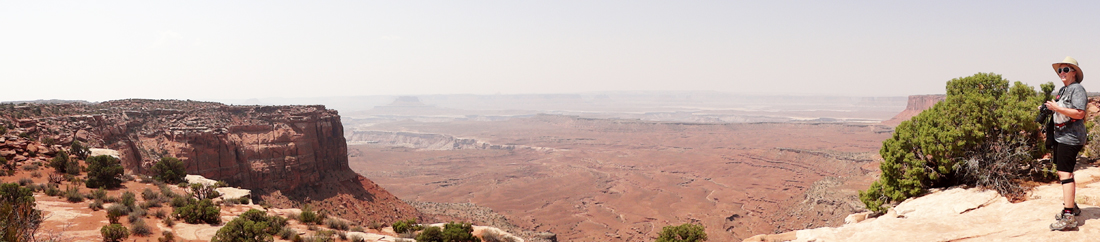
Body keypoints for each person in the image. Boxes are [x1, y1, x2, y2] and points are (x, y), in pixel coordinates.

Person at [1047, 56, 1088, 231]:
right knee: (1065, 173)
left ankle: (1069, 216)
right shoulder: (1064, 90)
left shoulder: (1077, 89)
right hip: (1061, 136)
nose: (1061, 73)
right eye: (1059, 70)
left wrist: (1056, 108)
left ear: (1074, 73)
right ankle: (1072, 206)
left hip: (1071, 138)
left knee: (1065, 174)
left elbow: (1079, 113)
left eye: (1065, 70)